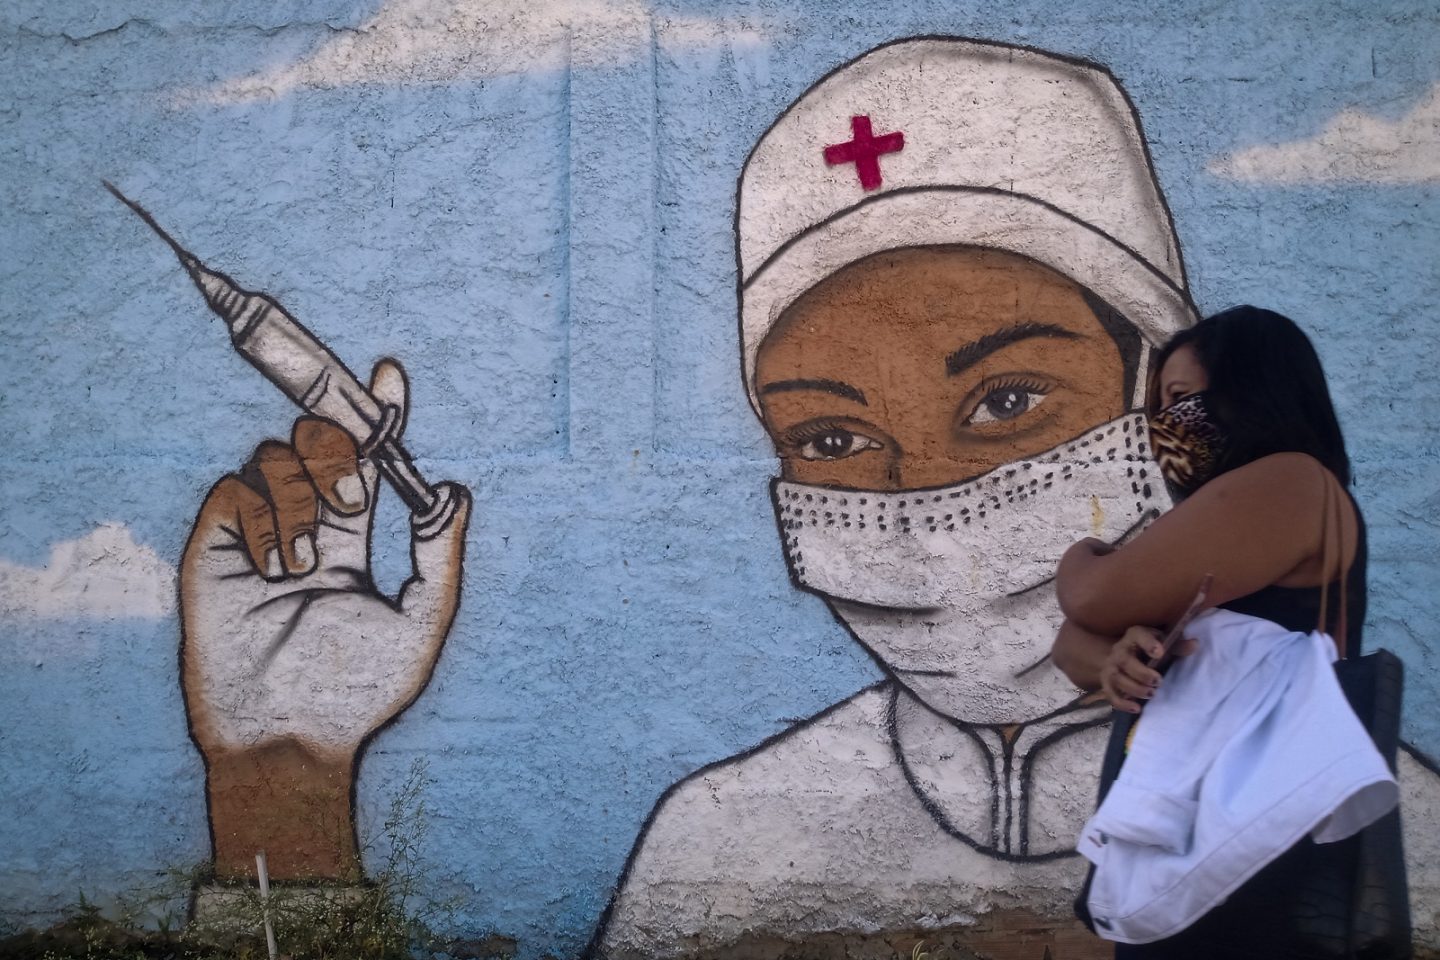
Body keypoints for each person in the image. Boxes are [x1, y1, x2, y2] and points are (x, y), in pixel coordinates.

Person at [590, 35, 1198, 960]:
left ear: (1152, 395)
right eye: (832, 441)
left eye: (1007, 401)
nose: (929, 502)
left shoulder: (1335, 801)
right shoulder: (715, 845)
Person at [1050, 306, 1400, 956]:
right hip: (1202, 819)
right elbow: (1070, 644)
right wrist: (1110, 660)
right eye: (1160, 405)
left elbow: (1092, 595)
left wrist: (1082, 551)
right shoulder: (1223, 524)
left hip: (1253, 829)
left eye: (1181, 398)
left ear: (1251, 388)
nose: (1165, 424)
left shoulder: (1291, 484)